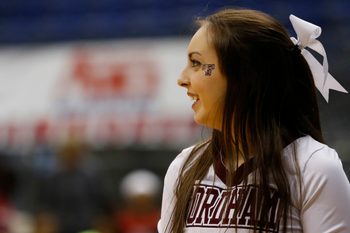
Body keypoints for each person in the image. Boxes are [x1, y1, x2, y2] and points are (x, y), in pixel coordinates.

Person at [157, 8, 350, 233]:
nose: (182, 79)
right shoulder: (184, 167)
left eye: (197, 64)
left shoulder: (314, 166)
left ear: (244, 75)